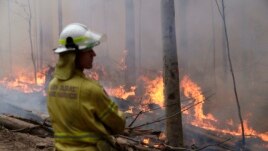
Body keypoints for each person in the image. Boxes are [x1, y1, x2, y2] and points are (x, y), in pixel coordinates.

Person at [47, 23, 125, 151]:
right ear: (75, 54)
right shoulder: (91, 89)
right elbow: (118, 125)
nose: (93, 54)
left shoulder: (52, 86)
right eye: (88, 50)